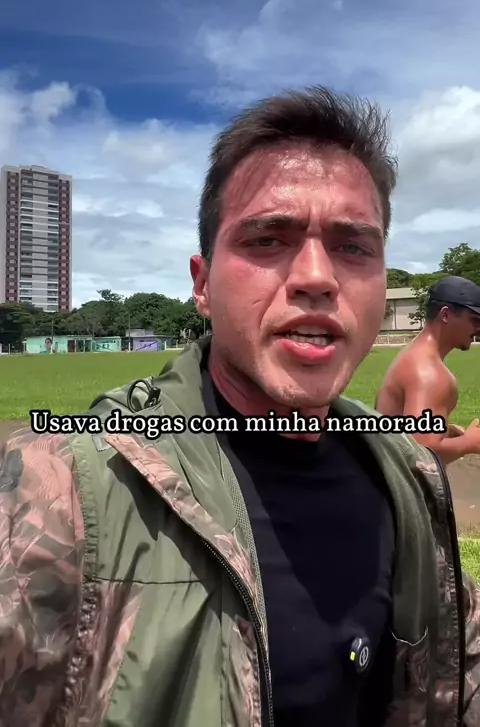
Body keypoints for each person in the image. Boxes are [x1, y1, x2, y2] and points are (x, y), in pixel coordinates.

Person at [1, 86, 480, 727]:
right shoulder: (62, 489)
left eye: (353, 246)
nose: (316, 277)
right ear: (202, 285)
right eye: (268, 239)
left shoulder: (407, 478)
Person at [375, 275, 480, 465]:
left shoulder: (414, 354)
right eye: (475, 320)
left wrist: (445, 431)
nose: (478, 328)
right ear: (445, 315)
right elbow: (421, 454)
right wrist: (469, 442)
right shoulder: (430, 373)